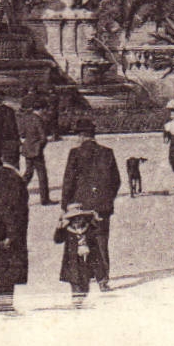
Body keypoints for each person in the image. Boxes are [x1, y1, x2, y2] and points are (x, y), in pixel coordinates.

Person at [59, 118, 120, 290]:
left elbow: (68, 181)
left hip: (80, 206)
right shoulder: (107, 152)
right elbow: (116, 180)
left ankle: (84, 274)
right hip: (102, 206)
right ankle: (103, 279)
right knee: (101, 240)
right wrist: (107, 199)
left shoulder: (75, 153)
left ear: (81, 135)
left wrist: (65, 205)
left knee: (81, 239)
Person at [0, 149, 30, 315]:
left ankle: (3, 304)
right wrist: (11, 234)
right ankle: (4, 306)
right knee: (9, 271)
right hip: (11, 232)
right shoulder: (14, 179)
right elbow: (10, 209)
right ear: (18, 161)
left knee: (2, 268)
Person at [54, 204, 107, 307]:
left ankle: (80, 297)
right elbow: (58, 239)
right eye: (74, 219)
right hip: (73, 260)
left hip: (86, 260)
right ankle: (76, 300)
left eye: (80, 218)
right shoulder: (67, 230)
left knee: (85, 284)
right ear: (70, 221)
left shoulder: (88, 228)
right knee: (75, 281)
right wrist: (59, 227)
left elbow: (98, 231)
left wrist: (96, 220)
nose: (77, 222)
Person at [17, 98, 51, 204]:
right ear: (41, 109)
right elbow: (43, 137)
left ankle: (17, 193)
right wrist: (40, 146)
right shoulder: (39, 120)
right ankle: (44, 199)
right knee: (42, 175)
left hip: (27, 149)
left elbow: (22, 133)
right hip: (36, 151)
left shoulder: (26, 118)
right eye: (44, 109)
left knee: (28, 173)